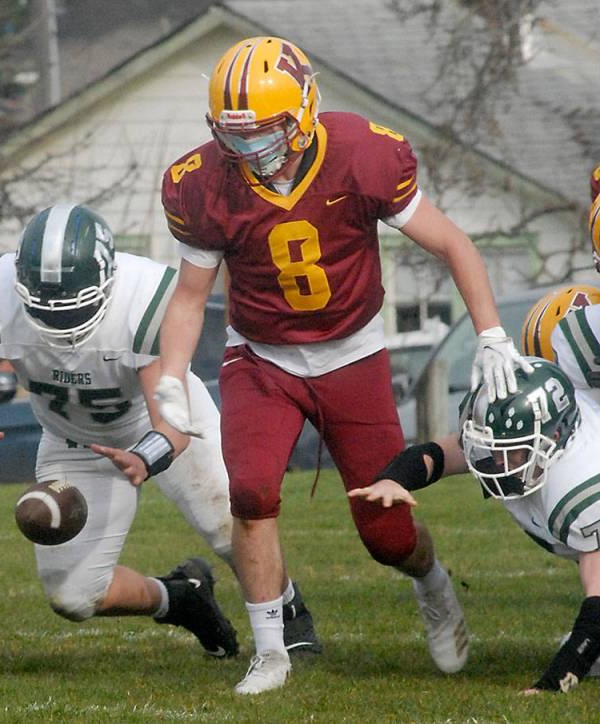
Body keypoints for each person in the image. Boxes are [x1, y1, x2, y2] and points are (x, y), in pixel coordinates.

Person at [152, 36, 530, 694]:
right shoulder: (202, 182)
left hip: (352, 352)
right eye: (234, 136)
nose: (249, 150)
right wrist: (171, 373)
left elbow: (452, 242)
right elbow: (189, 297)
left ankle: (433, 584)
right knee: (250, 493)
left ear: (304, 111)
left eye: (264, 132)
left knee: (387, 534)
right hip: (262, 356)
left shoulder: (359, 153)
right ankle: (271, 651)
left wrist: (492, 334)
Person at [0, 203, 322, 661]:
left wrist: (144, 457)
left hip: (162, 422)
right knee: (74, 597)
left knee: (228, 526)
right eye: (46, 308)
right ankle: (180, 597)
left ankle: (288, 611)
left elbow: (173, 427)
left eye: (73, 306)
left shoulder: (144, 299)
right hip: (74, 444)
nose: (60, 321)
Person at [349, 358, 600, 694]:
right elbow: (439, 455)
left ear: (554, 437)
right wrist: (394, 480)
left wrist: (552, 685)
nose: (497, 461)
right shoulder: (533, 439)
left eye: (511, 451)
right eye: (495, 448)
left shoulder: (578, 487)